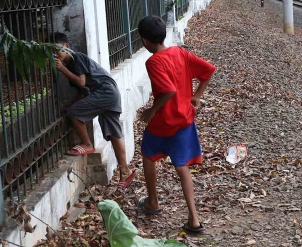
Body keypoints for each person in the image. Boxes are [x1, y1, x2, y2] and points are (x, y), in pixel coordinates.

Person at [136, 16, 216, 233]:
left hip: (163, 122)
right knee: (182, 166)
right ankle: (194, 219)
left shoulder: (153, 62)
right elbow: (208, 70)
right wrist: (196, 96)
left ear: (144, 41)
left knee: (147, 154)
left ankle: (153, 202)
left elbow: (169, 91)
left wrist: (150, 111)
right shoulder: (180, 53)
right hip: (184, 121)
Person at [54, 32, 136, 188]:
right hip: (110, 93)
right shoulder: (71, 64)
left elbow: (81, 81)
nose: (55, 54)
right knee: (113, 132)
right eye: (52, 51)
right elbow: (83, 89)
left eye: (57, 49)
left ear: (67, 46)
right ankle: (125, 170)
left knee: (74, 113)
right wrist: (72, 103)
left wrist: (62, 70)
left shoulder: (77, 58)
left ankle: (86, 144)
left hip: (105, 92)